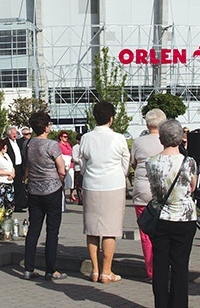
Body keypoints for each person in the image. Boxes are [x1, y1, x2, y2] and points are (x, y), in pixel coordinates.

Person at [146, 119, 198, 308]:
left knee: (160, 265)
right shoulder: (189, 162)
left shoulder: (151, 162)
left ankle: (161, 303)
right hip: (184, 217)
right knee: (180, 265)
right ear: (180, 139)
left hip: (161, 218)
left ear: (161, 139)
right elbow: (192, 187)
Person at [79, 100, 130, 284]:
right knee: (110, 229)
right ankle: (106, 272)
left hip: (91, 184)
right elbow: (126, 159)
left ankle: (94, 269)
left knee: (92, 229)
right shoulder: (119, 138)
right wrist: (120, 174)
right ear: (111, 118)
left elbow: (82, 162)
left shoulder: (86, 137)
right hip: (113, 185)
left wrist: (88, 173)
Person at [23, 112, 67, 281]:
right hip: (52, 189)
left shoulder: (27, 144)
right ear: (46, 126)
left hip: (34, 190)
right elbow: (61, 169)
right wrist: (59, 179)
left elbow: (27, 165)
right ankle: (50, 269)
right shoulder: (52, 145)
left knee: (33, 230)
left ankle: (28, 267)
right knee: (52, 231)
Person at [130, 108, 166, 283]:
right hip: (162, 191)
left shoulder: (138, 142)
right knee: (163, 232)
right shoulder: (166, 141)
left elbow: (134, 163)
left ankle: (151, 272)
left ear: (146, 123)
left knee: (146, 233)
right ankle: (164, 268)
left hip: (143, 189)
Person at [4, 126, 28, 212]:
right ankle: (10, 205)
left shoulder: (18, 142)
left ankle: (19, 205)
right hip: (11, 167)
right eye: (13, 133)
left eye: (15, 133)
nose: (15, 135)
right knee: (11, 187)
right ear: (9, 134)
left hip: (19, 167)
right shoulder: (5, 142)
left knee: (19, 186)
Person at [0, 139, 15, 213]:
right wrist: (8, 173)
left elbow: (11, 167)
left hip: (9, 182)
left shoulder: (6, 155)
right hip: (0, 182)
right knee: (1, 202)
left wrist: (12, 174)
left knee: (10, 203)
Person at [58, 131, 75, 202]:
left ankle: (72, 194)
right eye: (64, 137)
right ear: (60, 137)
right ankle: (63, 196)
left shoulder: (68, 144)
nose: (66, 138)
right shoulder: (59, 145)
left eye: (67, 137)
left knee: (71, 182)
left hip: (70, 164)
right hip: (64, 165)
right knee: (63, 181)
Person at [71, 133, 84, 205]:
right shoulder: (75, 148)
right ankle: (80, 199)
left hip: (84, 168)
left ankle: (84, 198)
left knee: (84, 184)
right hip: (78, 168)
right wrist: (81, 161)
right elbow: (74, 158)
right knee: (78, 185)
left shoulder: (85, 146)